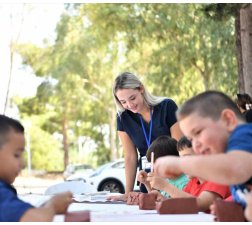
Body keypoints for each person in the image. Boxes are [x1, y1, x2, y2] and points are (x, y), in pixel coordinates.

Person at [0, 112, 72, 222]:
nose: (23, 164)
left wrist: (46, 206)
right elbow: (37, 220)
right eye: (16, 155)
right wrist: (53, 206)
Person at [154, 90, 252, 210]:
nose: (195, 145)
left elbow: (233, 166)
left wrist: (180, 164)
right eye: (191, 138)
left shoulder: (244, 135)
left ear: (228, 119)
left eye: (198, 132)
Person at [108, 72, 183, 201]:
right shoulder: (123, 118)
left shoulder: (167, 106)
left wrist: (166, 177)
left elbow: (179, 147)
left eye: (132, 98)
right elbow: (130, 157)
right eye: (123, 102)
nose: (129, 105)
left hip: (173, 179)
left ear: (141, 89)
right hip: (147, 181)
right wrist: (128, 193)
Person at [144, 136, 231, 212]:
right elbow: (183, 203)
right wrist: (163, 199)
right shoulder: (193, 181)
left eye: (187, 158)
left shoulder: (217, 178)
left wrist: (165, 186)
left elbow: (199, 204)